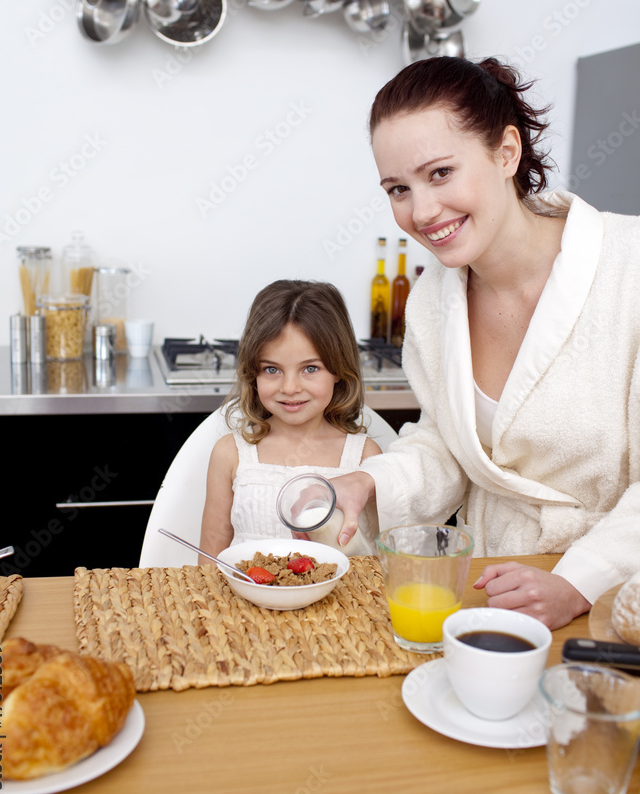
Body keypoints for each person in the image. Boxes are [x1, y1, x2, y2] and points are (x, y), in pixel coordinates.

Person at [332, 55, 640, 630]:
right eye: (398, 188)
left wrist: (579, 580)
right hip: (491, 583)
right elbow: (450, 444)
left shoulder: (630, 269)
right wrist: (370, 481)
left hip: (617, 597)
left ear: (506, 152)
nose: (422, 212)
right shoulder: (431, 301)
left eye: (440, 173)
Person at [199, 280, 382, 557]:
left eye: (310, 368)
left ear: (338, 369)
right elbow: (210, 558)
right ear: (253, 373)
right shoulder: (230, 454)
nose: (290, 388)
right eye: (272, 369)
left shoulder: (364, 457)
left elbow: (376, 562)